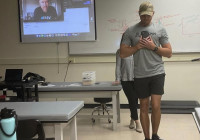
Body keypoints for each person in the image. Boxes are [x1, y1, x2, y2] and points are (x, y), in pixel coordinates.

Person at [120, 1, 172, 140]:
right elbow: (123, 53)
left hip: (157, 72)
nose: (146, 19)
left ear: (153, 14)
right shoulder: (130, 31)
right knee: (143, 106)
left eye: (148, 16)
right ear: (139, 14)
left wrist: (153, 46)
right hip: (140, 74)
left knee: (155, 105)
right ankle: (147, 138)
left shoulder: (160, 29)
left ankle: (155, 135)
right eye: (143, 16)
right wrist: (136, 47)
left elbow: (169, 52)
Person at [114, 48, 142, 133]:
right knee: (132, 99)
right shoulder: (120, 51)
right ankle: (137, 122)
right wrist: (117, 79)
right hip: (125, 80)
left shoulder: (138, 50)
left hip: (137, 79)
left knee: (134, 100)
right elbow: (118, 65)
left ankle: (132, 119)